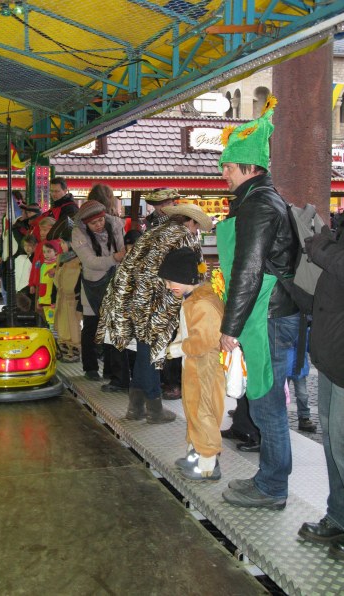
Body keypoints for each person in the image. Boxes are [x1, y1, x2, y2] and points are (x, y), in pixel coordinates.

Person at [217, 96, 300, 511]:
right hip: (269, 315)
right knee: (265, 399)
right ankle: (270, 477)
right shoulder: (262, 201)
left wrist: (229, 328)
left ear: (249, 166)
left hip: (265, 318)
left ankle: (272, 485)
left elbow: (248, 273)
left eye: (228, 168)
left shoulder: (259, 206)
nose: (224, 175)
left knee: (267, 401)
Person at [97, 203, 212, 424]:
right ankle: (154, 407)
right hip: (157, 299)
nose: (196, 231)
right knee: (152, 351)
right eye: (196, 226)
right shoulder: (185, 237)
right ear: (191, 221)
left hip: (129, 298)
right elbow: (193, 274)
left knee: (144, 348)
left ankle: (136, 407)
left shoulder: (155, 232)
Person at [298, 216, 344, 561]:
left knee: (342, 445)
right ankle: (338, 515)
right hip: (331, 356)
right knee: (332, 442)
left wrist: (322, 248)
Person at [159, 247, 225, 480]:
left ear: (186, 277)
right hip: (195, 364)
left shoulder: (202, 304)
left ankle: (207, 464)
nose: (168, 286)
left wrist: (180, 347)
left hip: (204, 365)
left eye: (170, 281)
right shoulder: (193, 298)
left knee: (204, 408)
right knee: (193, 407)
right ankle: (195, 452)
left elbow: (205, 340)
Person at [72, 200, 129, 388]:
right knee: (91, 326)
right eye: (94, 223)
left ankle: (111, 370)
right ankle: (90, 367)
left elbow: (123, 248)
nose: (99, 225)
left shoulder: (115, 224)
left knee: (111, 326)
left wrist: (120, 257)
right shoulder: (78, 233)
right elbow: (89, 261)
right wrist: (114, 258)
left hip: (115, 281)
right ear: (85, 224)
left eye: (101, 220)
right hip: (92, 283)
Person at [54, 225, 82, 363]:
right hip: (62, 297)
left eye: (64, 242)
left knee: (73, 325)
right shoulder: (62, 258)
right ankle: (64, 347)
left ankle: (75, 350)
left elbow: (75, 281)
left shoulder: (79, 260)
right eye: (61, 242)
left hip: (73, 299)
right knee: (63, 323)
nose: (61, 245)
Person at [286, 333, 317, 433]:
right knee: (282, 395)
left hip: (299, 367)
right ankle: (280, 418)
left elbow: (310, 346)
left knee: (303, 394)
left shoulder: (305, 329)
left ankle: (304, 418)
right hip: (286, 367)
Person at [37, 240, 60, 328]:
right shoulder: (43, 266)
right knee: (49, 321)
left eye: (49, 251)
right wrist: (39, 299)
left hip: (52, 301)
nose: (46, 254)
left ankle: (56, 340)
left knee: (53, 323)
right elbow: (41, 282)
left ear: (56, 252)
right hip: (44, 300)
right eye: (44, 252)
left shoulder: (56, 265)